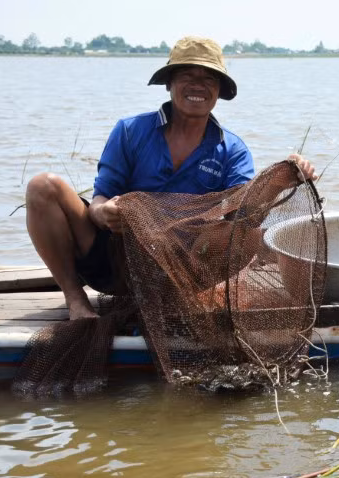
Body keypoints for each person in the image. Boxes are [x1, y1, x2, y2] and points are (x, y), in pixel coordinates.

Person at [25, 37, 316, 320]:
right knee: (42, 186)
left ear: (218, 91)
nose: (197, 86)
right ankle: (75, 299)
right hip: (114, 258)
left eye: (209, 79)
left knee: (247, 236)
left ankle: (181, 298)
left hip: (180, 268)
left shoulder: (233, 150)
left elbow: (245, 216)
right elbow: (101, 197)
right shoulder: (130, 130)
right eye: (187, 75)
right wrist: (103, 212)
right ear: (169, 84)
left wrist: (280, 179)